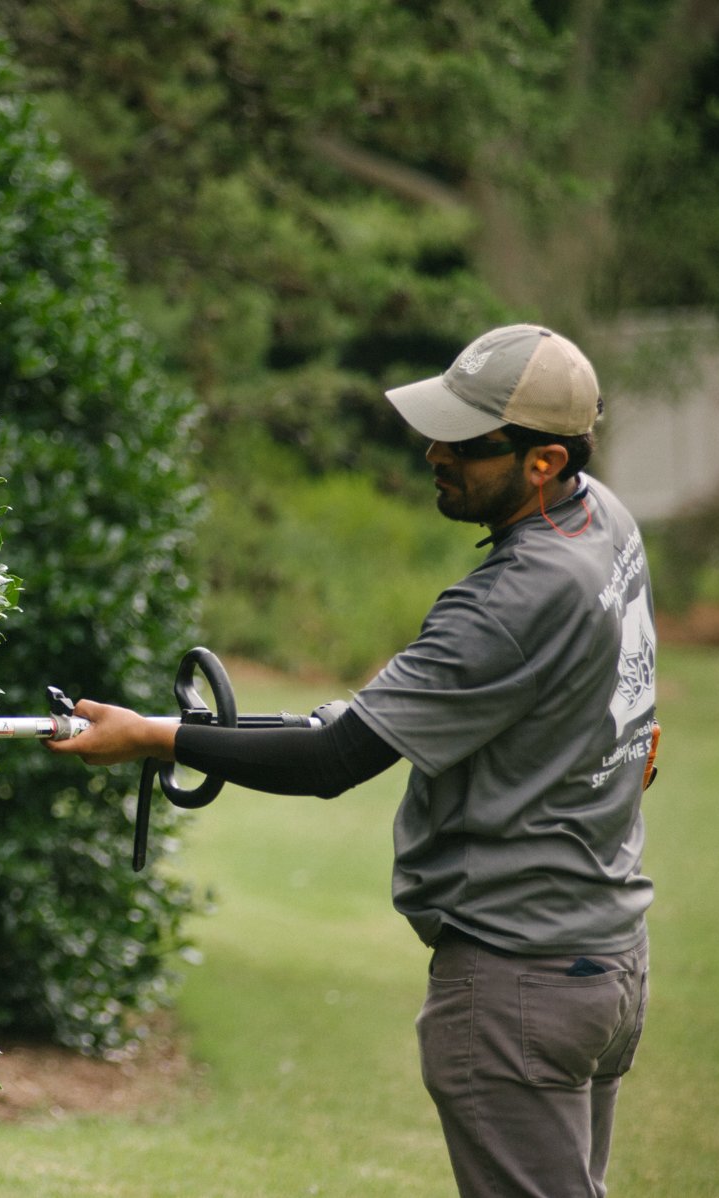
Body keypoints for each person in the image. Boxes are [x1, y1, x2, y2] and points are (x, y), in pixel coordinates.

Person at [50, 324, 656, 1198]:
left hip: (520, 980)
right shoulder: (605, 519)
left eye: (462, 442)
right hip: (604, 959)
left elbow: (335, 758)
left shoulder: (511, 600)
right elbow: (621, 687)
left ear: (542, 460)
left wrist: (153, 736)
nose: (433, 453)